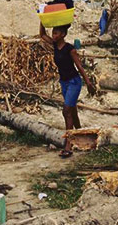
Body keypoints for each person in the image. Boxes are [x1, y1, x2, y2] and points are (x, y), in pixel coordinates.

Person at [40, 22, 95, 158]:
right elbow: (42, 35)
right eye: (53, 33)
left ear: (63, 34)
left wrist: (88, 83)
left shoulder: (70, 49)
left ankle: (68, 144)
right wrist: (43, 20)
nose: (53, 35)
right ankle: (81, 134)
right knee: (72, 110)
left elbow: (80, 67)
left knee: (66, 110)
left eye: (56, 33)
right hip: (64, 82)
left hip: (74, 82)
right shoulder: (54, 45)